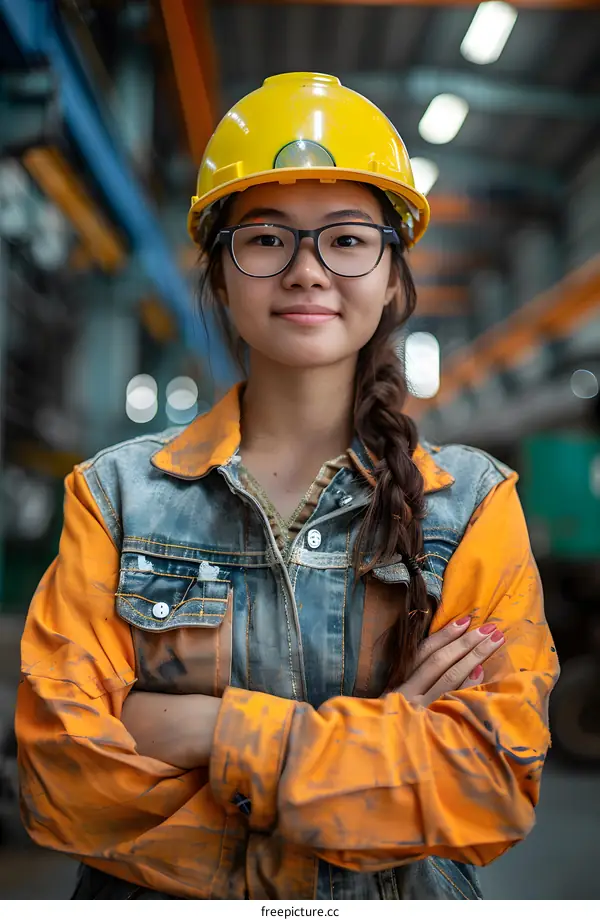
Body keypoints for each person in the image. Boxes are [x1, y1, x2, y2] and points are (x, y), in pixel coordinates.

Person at [16, 72, 558, 901]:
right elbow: (63, 780)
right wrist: (388, 740)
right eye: (266, 239)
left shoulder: (473, 507)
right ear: (221, 273)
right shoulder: (115, 496)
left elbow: (483, 790)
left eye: (346, 240)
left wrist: (203, 727)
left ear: (391, 273)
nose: (307, 270)